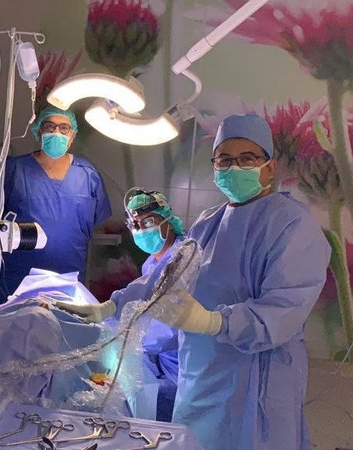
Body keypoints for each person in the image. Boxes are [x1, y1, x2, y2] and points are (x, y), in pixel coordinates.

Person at [156, 114, 331, 450]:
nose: (234, 167)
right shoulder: (207, 222)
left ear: (270, 167)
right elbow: (170, 277)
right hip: (202, 367)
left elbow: (282, 311)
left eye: (247, 159)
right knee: (196, 440)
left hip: (255, 371)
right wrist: (115, 305)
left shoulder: (293, 226)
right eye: (224, 160)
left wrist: (213, 322)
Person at [56, 188, 185, 421]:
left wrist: (127, 333)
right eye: (135, 225)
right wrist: (110, 309)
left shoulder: (184, 258)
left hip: (179, 368)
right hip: (161, 360)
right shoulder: (153, 261)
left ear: (167, 219)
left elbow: (169, 328)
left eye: (148, 222)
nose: (141, 230)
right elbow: (142, 291)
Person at [0, 105, 112, 302]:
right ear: (38, 131)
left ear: (72, 136)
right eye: (50, 126)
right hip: (19, 280)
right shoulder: (13, 170)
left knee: (64, 320)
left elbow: (97, 220)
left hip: (68, 280)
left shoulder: (88, 175)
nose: (57, 132)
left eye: (64, 128)